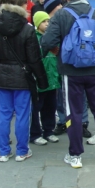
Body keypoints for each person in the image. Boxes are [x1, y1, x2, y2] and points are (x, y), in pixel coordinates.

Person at [41, 0, 95, 168]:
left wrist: (58, 51)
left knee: (72, 112)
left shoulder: (61, 15)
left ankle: (75, 155)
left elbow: (47, 41)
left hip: (70, 72)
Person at [0, 0, 48, 162]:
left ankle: (3, 151)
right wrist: (42, 80)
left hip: (2, 75)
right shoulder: (27, 29)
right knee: (23, 114)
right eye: (25, 3)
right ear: (19, 5)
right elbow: (34, 58)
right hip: (22, 76)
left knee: (4, 114)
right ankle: (22, 150)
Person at [31, 11, 60, 144]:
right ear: (37, 24)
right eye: (43, 21)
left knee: (51, 106)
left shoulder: (52, 37)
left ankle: (48, 130)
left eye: (48, 21)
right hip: (39, 80)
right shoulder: (33, 38)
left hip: (52, 78)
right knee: (37, 107)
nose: (47, 24)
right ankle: (35, 133)